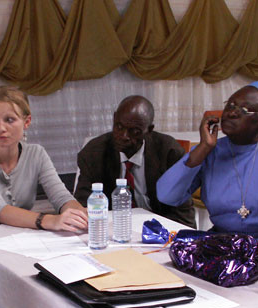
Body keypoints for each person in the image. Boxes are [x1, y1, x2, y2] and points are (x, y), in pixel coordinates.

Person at [157, 81, 258, 251]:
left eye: (244, 110)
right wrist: (203, 147)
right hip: (223, 246)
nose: (231, 113)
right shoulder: (212, 150)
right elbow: (167, 195)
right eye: (230, 105)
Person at [0, 86, 88, 232]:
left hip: (21, 237)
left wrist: (82, 215)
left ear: (27, 122)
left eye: (9, 120)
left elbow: (60, 196)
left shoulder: (37, 153)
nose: (1, 128)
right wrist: (50, 220)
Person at [73, 95, 196, 227]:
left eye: (135, 132)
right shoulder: (94, 153)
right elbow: (83, 206)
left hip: (159, 230)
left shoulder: (169, 153)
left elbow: (183, 215)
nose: (124, 136)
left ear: (149, 130)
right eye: (119, 127)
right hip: (113, 229)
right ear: (114, 119)